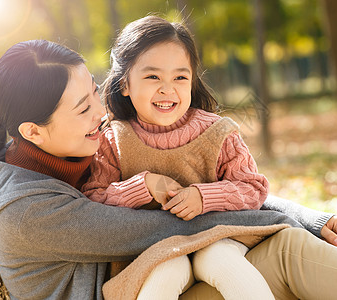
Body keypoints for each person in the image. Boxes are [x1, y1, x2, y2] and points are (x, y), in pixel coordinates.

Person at [0, 40, 337, 300]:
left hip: (167, 275)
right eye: (84, 107)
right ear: (34, 131)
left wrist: (305, 218)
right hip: (148, 285)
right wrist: (286, 218)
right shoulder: (24, 210)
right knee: (281, 253)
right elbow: (166, 225)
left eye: (96, 92)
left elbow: (199, 192)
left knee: (287, 245)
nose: (101, 110)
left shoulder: (77, 154)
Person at [80, 15, 288, 300]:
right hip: (151, 249)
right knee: (165, 271)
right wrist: (143, 185)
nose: (168, 88)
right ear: (125, 84)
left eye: (180, 77)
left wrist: (204, 197)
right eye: (153, 76)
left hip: (219, 237)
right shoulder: (113, 139)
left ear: (192, 82)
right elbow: (93, 199)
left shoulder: (218, 132)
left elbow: (253, 189)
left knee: (223, 261)